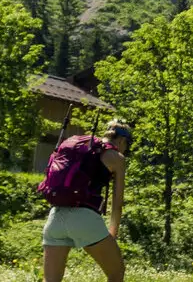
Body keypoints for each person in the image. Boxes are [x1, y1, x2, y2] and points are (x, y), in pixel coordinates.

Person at [42, 120, 131, 282]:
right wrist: (112, 233)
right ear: (122, 140)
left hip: (55, 218)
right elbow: (117, 204)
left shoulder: (81, 147)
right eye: (127, 145)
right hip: (85, 219)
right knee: (116, 273)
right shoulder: (117, 157)